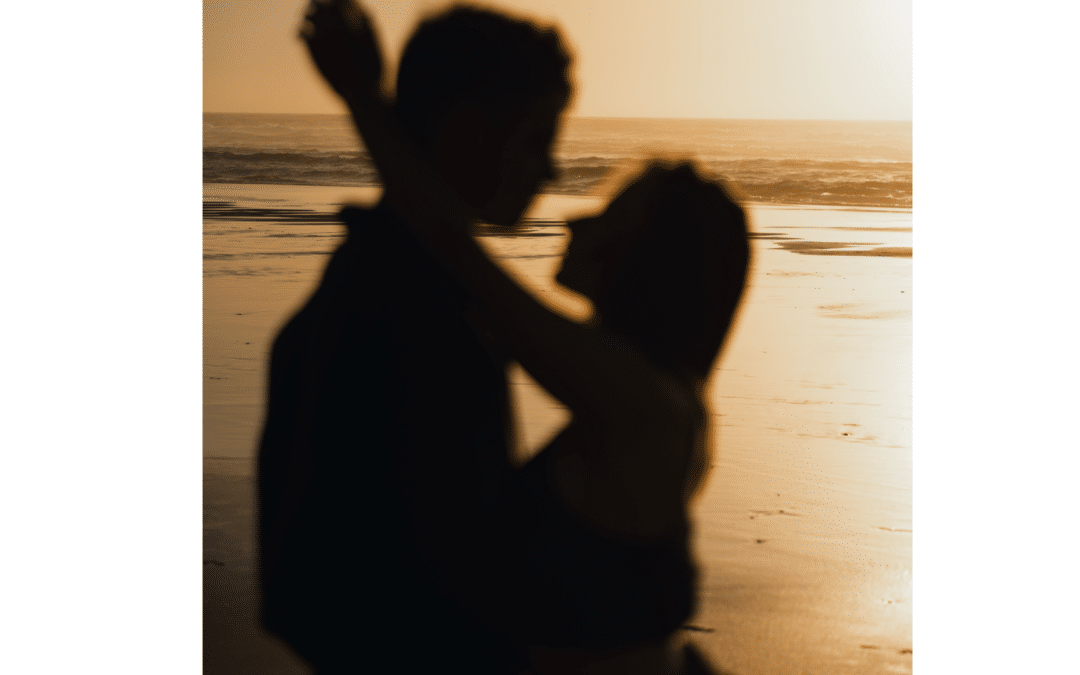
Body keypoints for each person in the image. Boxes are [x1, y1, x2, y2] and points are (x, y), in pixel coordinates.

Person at [262, 1, 749, 673]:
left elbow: (457, 251)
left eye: (612, 218)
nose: (563, 194)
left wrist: (363, 100)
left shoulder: (643, 405)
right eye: (538, 140)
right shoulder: (419, 312)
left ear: (652, 266)